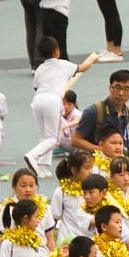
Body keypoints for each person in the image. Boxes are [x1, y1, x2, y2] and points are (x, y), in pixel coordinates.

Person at [72, 70, 129, 185]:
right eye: (117, 87)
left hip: (123, 171)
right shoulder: (94, 111)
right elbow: (75, 140)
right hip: (99, 171)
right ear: (110, 88)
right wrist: (102, 150)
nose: (121, 93)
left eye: (126, 89)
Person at [24, 38, 98, 179]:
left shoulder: (39, 68)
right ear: (56, 51)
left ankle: (42, 166)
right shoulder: (63, 65)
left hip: (37, 100)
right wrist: (93, 59)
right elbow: (82, 67)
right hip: (52, 101)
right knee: (53, 139)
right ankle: (32, 156)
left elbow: (36, 86)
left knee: (44, 137)